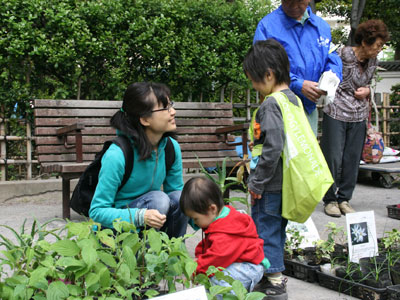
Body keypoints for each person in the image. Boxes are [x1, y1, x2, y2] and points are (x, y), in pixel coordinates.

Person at [243, 38, 309, 300]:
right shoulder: (293, 99)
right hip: (286, 182)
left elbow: (273, 146)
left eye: (254, 80)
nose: (254, 86)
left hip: (269, 183)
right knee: (276, 230)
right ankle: (273, 277)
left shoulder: (271, 103)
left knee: (265, 231)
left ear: (268, 75)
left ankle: (274, 281)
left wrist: (256, 182)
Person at [89, 82, 188, 238]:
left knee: (182, 198)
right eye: (165, 108)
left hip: (152, 221)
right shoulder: (117, 155)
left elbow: (176, 195)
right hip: (114, 234)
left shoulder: (171, 148)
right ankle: (143, 260)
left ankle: (172, 257)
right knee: (159, 199)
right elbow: (97, 211)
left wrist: (212, 218)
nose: (173, 112)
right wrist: (140, 216)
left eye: (171, 105)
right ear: (145, 119)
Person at [320, 20, 390, 217]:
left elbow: (369, 83)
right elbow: (327, 78)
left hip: (358, 115)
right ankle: (330, 200)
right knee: (332, 157)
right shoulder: (342, 54)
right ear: (365, 42)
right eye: (377, 45)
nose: (379, 49)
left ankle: (344, 199)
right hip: (336, 111)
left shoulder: (374, 62)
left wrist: (368, 90)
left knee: (352, 158)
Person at [253, 0, 342, 135]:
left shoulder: (321, 26)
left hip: (308, 108)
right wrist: (297, 84)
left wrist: (331, 76)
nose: (294, 5)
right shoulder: (267, 27)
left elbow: (332, 56)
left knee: (307, 153)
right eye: (289, 1)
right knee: (276, 152)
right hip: (278, 108)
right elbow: (263, 67)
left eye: (299, 1)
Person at [179, 177, 269, 294]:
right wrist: (199, 258)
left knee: (219, 280)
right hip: (241, 262)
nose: (194, 223)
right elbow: (210, 245)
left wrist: (196, 270)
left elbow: (216, 257)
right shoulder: (222, 218)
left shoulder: (225, 232)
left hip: (249, 267)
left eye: (195, 218)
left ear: (212, 208)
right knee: (210, 273)